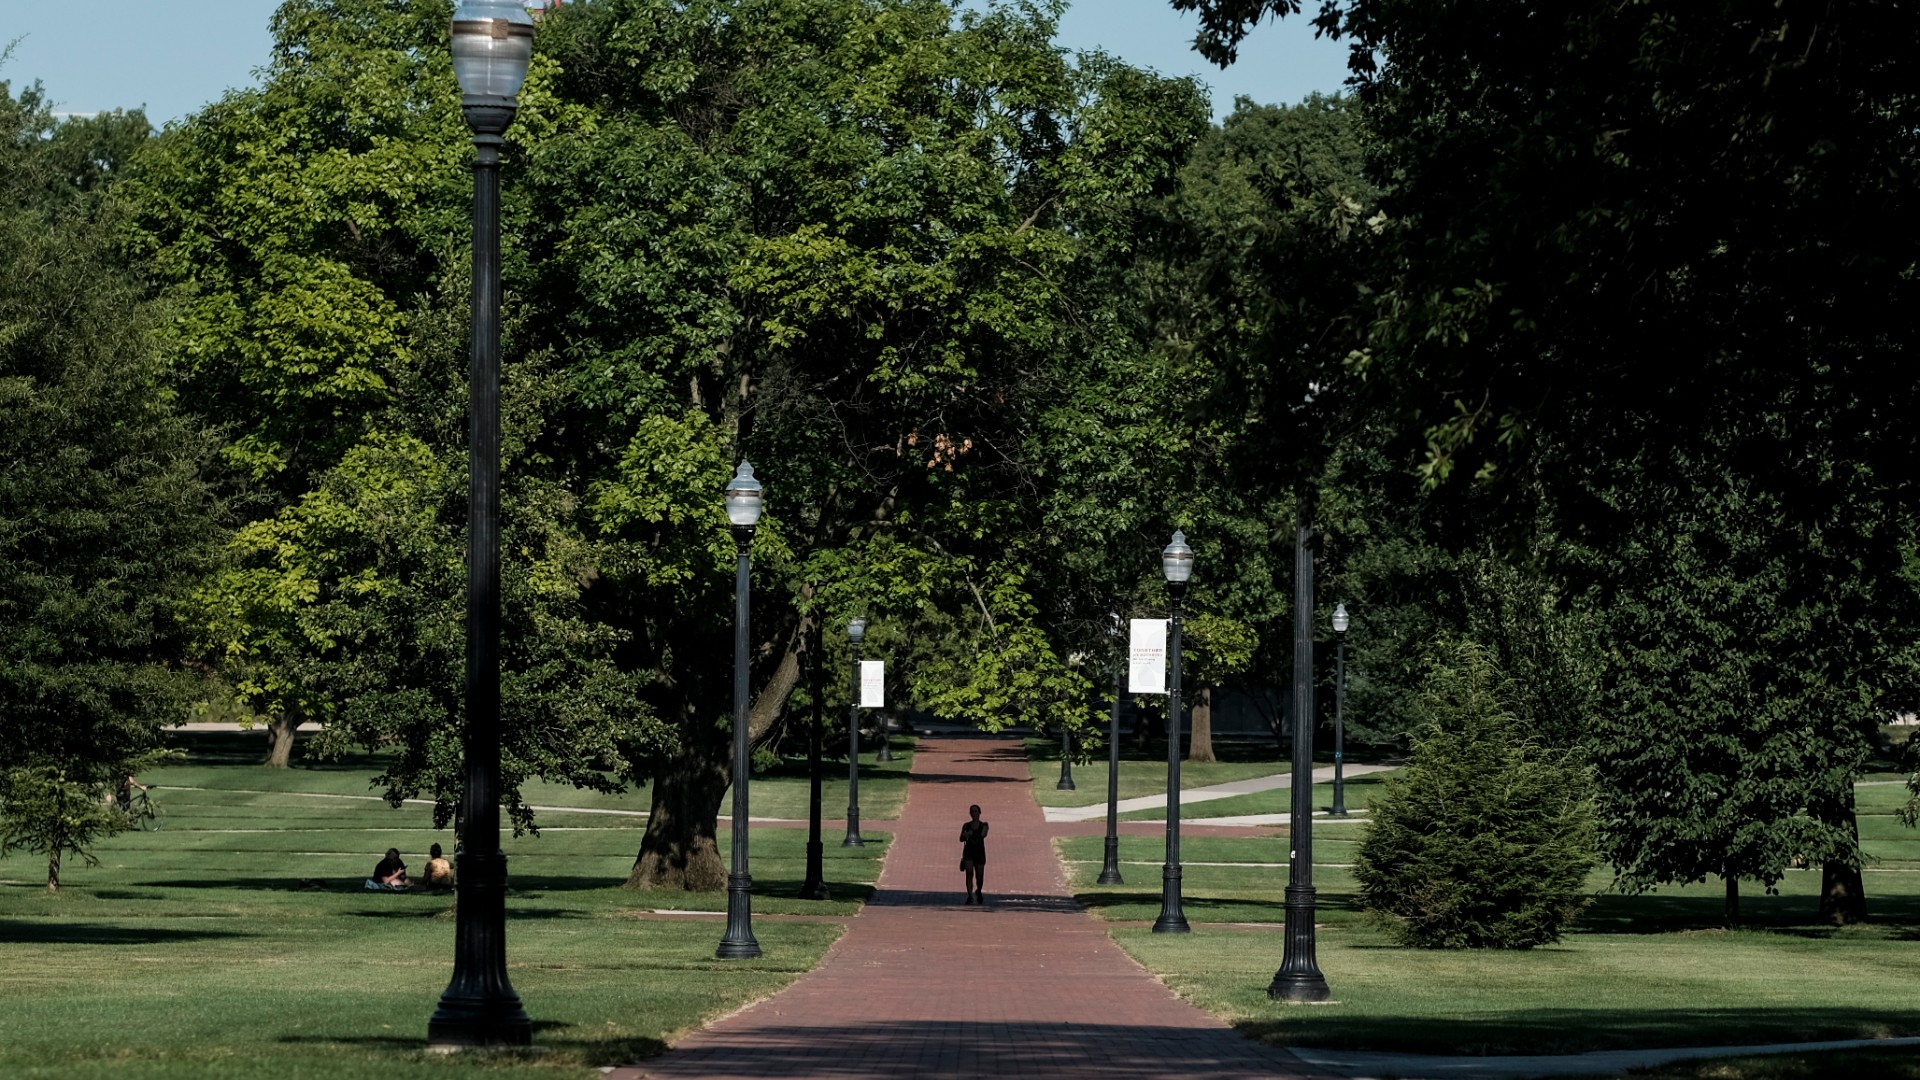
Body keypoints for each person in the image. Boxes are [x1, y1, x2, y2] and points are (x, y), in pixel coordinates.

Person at [959, 804, 989, 904]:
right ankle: (970, 895)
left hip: (979, 852)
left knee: (979, 876)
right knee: (969, 872)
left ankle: (978, 890)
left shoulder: (983, 825)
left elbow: (983, 835)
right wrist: (965, 835)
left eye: (976, 811)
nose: (974, 813)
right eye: (972, 811)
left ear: (979, 813)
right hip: (969, 851)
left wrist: (975, 833)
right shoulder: (966, 825)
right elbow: (961, 838)